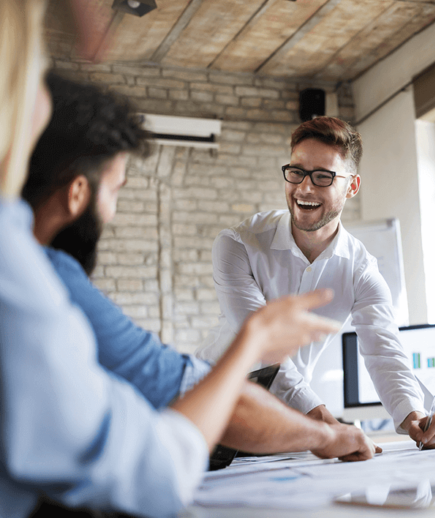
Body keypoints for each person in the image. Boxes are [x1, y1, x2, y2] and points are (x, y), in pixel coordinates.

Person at [0, 3, 344, 516]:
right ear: (77, 193)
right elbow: (151, 469)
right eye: (115, 191)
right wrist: (259, 350)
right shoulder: (34, 276)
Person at [22, 71, 378, 460]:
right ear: (77, 194)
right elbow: (217, 406)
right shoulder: (53, 285)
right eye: (115, 190)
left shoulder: (24, 270)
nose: (112, 211)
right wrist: (326, 435)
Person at [196, 116, 435, 449]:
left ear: (352, 186)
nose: (304, 188)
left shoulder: (361, 271)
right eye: (297, 172)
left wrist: (415, 417)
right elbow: (263, 346)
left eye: (323, 177)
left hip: (285, 429)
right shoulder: (238, 245)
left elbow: (385, 352)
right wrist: (327, 425)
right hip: (209, 413)